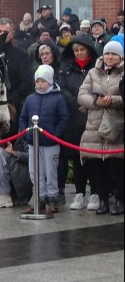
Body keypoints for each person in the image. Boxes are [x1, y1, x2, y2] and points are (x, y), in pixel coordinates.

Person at [77, 41, 124, 215]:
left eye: (114, 54)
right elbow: (82, 95)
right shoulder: (93, 72)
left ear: (120, 56)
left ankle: (120, 200)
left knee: (118, 166)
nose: (110, 57)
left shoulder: (123, 73)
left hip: (116, 125)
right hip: (95, 125)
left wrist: (113, 101)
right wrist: (96, 102)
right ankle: (102, 200)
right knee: (98, 167)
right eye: (107, 54)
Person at [18, 65, 69, 214]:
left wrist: (56, 134)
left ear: (50, 81)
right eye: (37, 81)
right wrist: (24, 132)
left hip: (50, 142)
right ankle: (38, 199)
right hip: (33, 142)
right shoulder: (30, 99)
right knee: (35, 171)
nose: (40, 84)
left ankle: (52, 198)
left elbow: (64, 118)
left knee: (50, 171)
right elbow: (23, 117)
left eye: (43, 81)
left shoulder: (58, 98)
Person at [58, 34, 100, 211]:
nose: (79, 53)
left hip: (94, 117)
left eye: (82, 50)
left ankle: (96, 193)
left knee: (94, 159)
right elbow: (62, 88)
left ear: (88, 50)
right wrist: (78, 103)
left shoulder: (97, 67)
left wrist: (89, 102)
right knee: (77, 159)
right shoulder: (65, 67)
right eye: (76, 50)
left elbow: (101, 87)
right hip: (74, 116)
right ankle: (79, 193)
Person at [0, 104, 32, 209]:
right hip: (10, 167)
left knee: (0, 154)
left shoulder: (25, 130)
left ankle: (4, 195)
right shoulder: (3, 131)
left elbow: (31, 156)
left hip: (22, 171)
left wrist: (14, 153)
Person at [0, 18, 35, 111]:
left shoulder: (21, 55)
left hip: (13, 107)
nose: (2, 34)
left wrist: (11, 100)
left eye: (5, 32)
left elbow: (27, 82)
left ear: (11, 34)